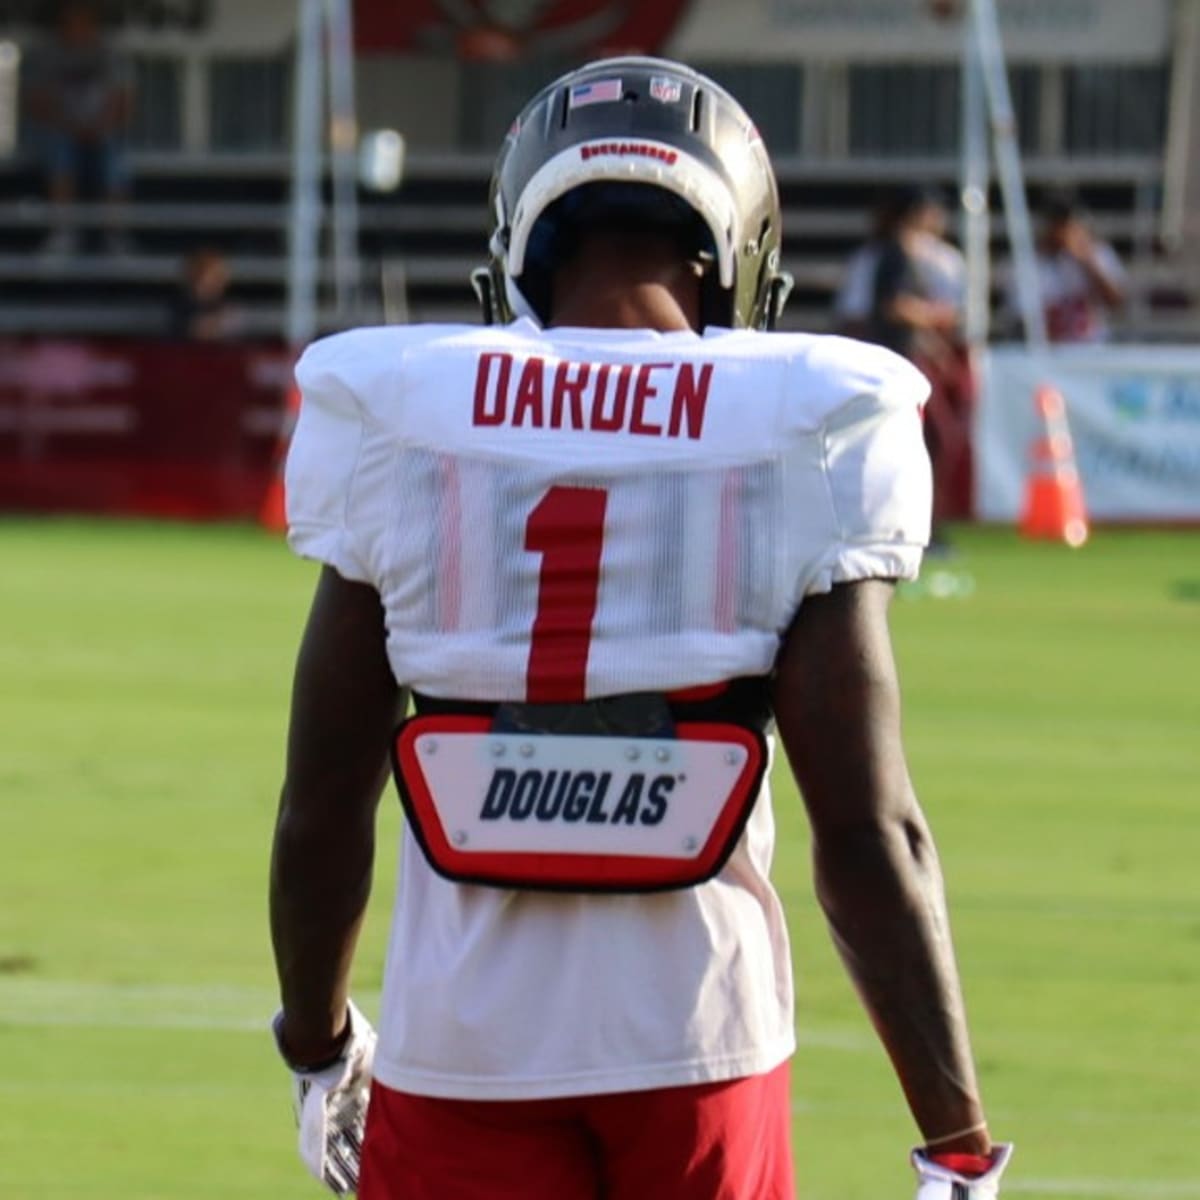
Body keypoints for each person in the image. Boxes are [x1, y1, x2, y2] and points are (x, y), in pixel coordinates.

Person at [269, 56, 1012, 1200]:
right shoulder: (800, 422)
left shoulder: (402, 412)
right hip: (700, 1041)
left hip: (459, 1042)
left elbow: (321, 805)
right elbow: (869, 836)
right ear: (739, 245)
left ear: (528, 235)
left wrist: (318, 1050)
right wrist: (956, 1143)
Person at [866, 185, 973, 545]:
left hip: (912, 358)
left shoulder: (908, 254)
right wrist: (934, 318)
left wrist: (936, 348)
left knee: (933, 441)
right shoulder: (896, 253)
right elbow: (892, 306)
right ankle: (916, 527)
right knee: (935, 439)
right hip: (899, 362)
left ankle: (922, 525)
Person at [24, 0, 133, 256]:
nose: (76, 27)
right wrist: (70, 126)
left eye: (83, 21)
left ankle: (114, 233)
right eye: (70, 21)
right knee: (59, 150)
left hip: (102, 131)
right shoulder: (45, 56)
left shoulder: (110, 55)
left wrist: (99, 126)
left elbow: (125, 103)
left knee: (115, 158)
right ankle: (63, 231)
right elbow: (35, 103)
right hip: (59, 129)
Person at [1011, 190, 1127, 343]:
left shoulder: (1097, 254)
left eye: (1069, 225)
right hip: (1049, 354)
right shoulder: (1028, 264)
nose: (1064, 233)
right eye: (1059, 225)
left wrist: (1086, 262)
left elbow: (1117, 302)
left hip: (1094, 351)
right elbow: (1023, 322)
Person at [168, 248, 238, 340]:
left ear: (222, 279)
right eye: (199, 276)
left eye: (213, 277)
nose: (206, 283)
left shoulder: (234, 314)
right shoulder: (172, 313)